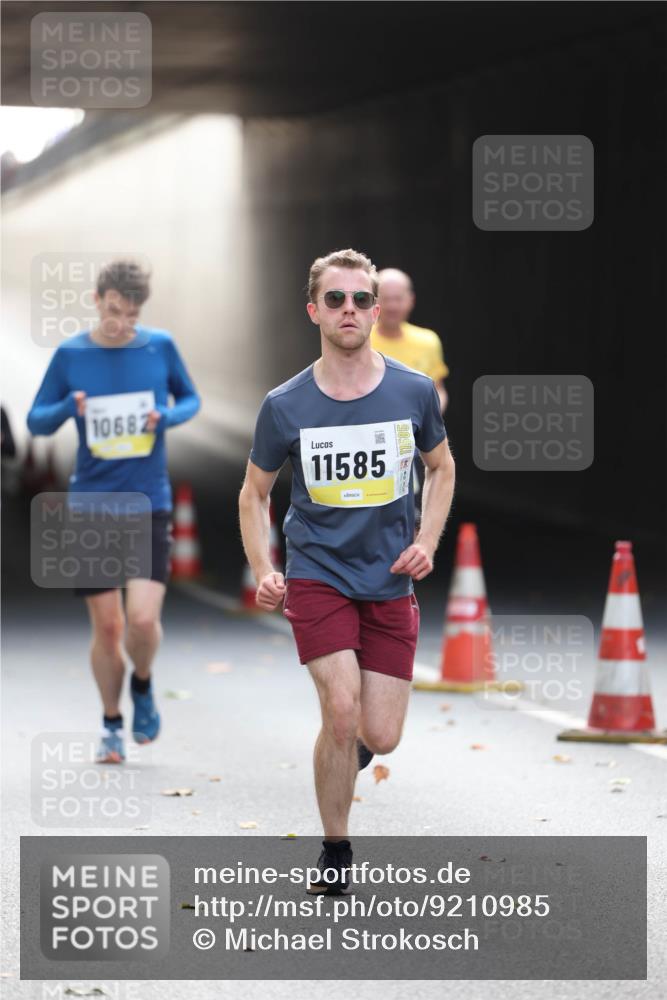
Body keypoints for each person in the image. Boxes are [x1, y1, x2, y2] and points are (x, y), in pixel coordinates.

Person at [239, 248, 455, 894]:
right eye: (335, 300)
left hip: (389, 576)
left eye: (361, 299)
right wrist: (263, 565)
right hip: (317, 572)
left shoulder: (411, 391)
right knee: (340, 709)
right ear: (314, 311)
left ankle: (348, 755)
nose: (350, 310)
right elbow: (254, 493)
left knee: (379, 736)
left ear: (375, 307)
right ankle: (335, 851)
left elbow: (440, 468)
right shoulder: (285, 405)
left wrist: (427, 540)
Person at [27, 260, 201, 764]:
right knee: (107, 628)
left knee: (142, 621)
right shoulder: (70, 354)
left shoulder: (160, 346)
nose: (121, 323)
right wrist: (68, 408)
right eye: (113, 311)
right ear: (96, 298)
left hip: (149, 502)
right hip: (92, 505)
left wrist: (164, 417)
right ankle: (110, 722)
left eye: (131, 314)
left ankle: (142, 684)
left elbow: (191, 398)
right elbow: (36, 421)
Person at [370, 268, 449, 413]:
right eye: (386, 299)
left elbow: (438, 390)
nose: (392, 306)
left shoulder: (428, 340)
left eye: (398, 299)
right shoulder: (361, 339)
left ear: (411, 300)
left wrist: (430, 419)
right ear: (373, 302)